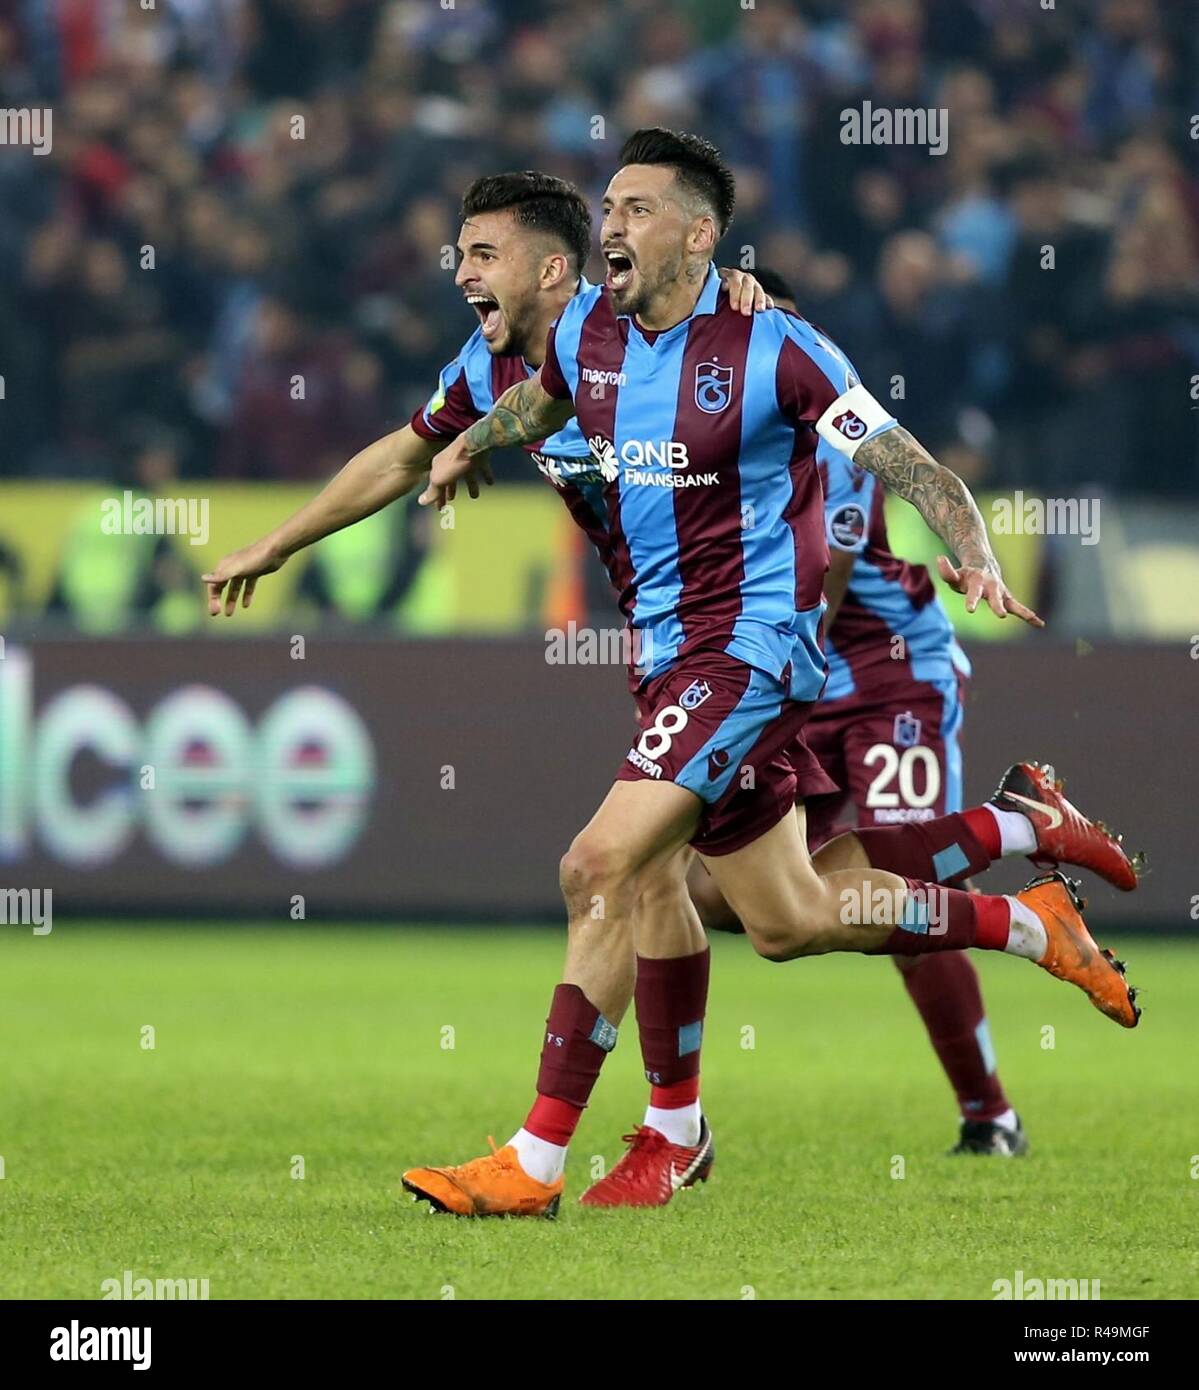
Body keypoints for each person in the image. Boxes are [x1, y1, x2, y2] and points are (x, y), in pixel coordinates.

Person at [402, 129, 1140, 1219]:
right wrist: (476, 440)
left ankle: (539, 1160)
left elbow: (903, 462)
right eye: (608, 204)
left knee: (597, 862)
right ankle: (1026, 917)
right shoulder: (601, 334)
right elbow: (544, 396)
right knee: (781, 913)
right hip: (672, 659)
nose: (612, 222)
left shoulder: (778, 348)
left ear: (699, 235)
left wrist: (968, 544)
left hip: (761, 656)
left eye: (639, 207)